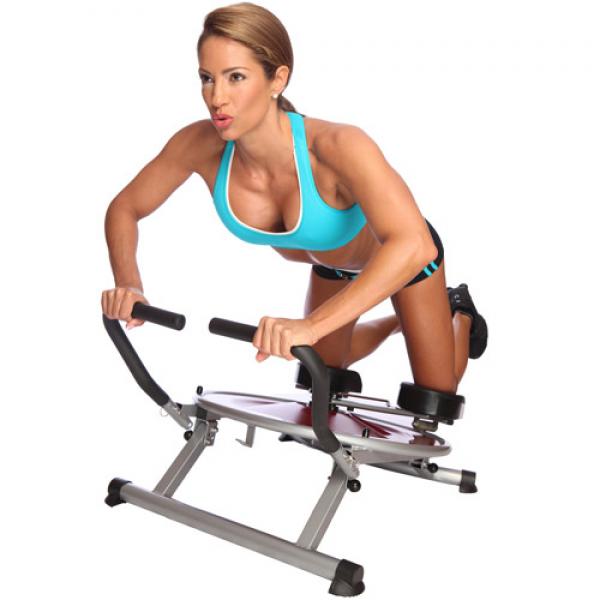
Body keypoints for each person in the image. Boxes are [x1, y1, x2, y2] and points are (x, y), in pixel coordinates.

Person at [102, 2, 487, 396]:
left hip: (405, 260)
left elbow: (414, 244)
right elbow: (125, 207)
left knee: (436, 391)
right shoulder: (199, 145)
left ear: (278, 79)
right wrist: (129, 284)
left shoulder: (337, 146)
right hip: (332, 266)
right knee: (321, 372)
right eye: (207, 78)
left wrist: (312, 325)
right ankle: (400, 322)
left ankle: (456, 311)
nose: (217, 97)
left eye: (236, 77)